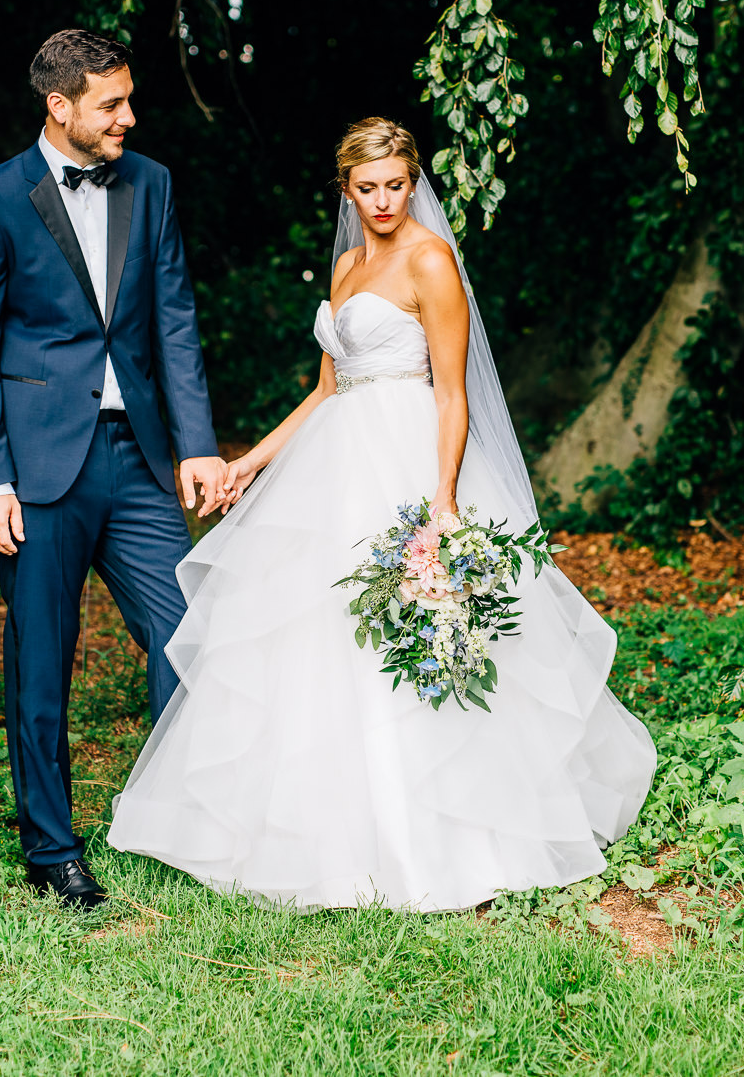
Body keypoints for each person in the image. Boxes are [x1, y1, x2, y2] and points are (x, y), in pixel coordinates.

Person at [106, 117, 655, 911]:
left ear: (412, 180)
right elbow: (329, 389)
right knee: (319, 638)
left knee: (413, 631)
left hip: (404, 460)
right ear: (346, 190)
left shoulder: (431, 262)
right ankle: (322, 831)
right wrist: (249, 461)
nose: (385, 200)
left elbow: (455, 392)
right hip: (332, 461)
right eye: (369, 188)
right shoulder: (345, 265)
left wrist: (443, 501)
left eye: (397, 184)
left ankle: (448, 834)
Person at [0, 28, 228, 910]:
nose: (129, 118)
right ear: (60, 106)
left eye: (129, 100)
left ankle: (183, 816)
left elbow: (173, 318)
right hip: (35, 468)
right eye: (112, 104)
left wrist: (200, 443)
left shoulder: (153, 183)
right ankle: (53, 850)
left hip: (134, 456)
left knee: (189, 632)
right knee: (42, 661)